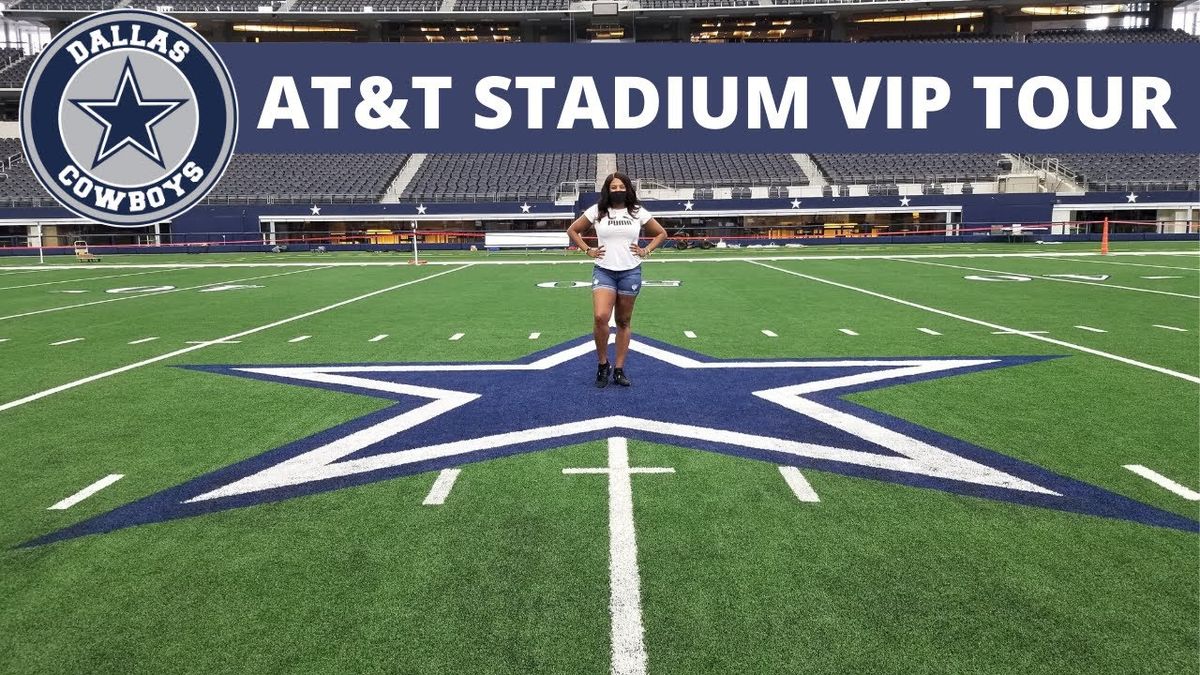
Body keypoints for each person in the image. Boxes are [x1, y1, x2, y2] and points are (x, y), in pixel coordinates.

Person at [567, 172, 668, 388]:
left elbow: (661, 233)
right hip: (604, 269)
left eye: (621, 186)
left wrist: (646, 250)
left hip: (630, 271)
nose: (617, 190)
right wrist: (588, 249)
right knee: (601, 317)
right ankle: (603, 365)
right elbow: (573, 230)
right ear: (607, 190)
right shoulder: (598, 211)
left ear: (628, 188)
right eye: (613, 187)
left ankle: (619, 369)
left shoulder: (637, 211)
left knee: (623, 321)